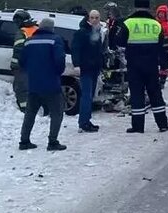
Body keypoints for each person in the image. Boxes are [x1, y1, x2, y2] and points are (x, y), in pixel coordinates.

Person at [122, 0, 168, 133]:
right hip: (151, 66)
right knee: (155, 94)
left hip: (134, 66)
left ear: (135, 7)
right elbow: (163, 48)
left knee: (137, 95)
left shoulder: (128, 23)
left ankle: (138, 126)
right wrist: (164, 67)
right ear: (149, 8)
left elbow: (119, 41)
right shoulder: (156, 25)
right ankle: (163, 124)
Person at [19, 17, 68, 150]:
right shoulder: (55, 40)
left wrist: (31, 71)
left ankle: (24, 141)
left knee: (30, 113)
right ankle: (52, 142)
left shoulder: (28, 41)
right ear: (51, 28)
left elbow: (21, 61)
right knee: (57, 113)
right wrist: (57, 72)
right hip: (51, 84)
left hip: (34, 84)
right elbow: (59, 60)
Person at [72, 8, 106, 133]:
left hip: (94, 68)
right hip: (85, 68)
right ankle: (83, 122)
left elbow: (99, 51)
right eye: (92, 17)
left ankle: (86, 120)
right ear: (88, 18)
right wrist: (77, 65)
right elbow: (75, 49)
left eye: (97, 17)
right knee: (86, 95)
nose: (95, 20)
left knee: (90, 95)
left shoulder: (98, 31)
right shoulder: (82, 32)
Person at [10, 9, 38, 111]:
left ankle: (25, 109)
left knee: (21, 87)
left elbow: (18, 50)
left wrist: (15, 65)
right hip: (37, 64)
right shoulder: (36, 29)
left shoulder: (22, 32)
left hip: (24, 65)